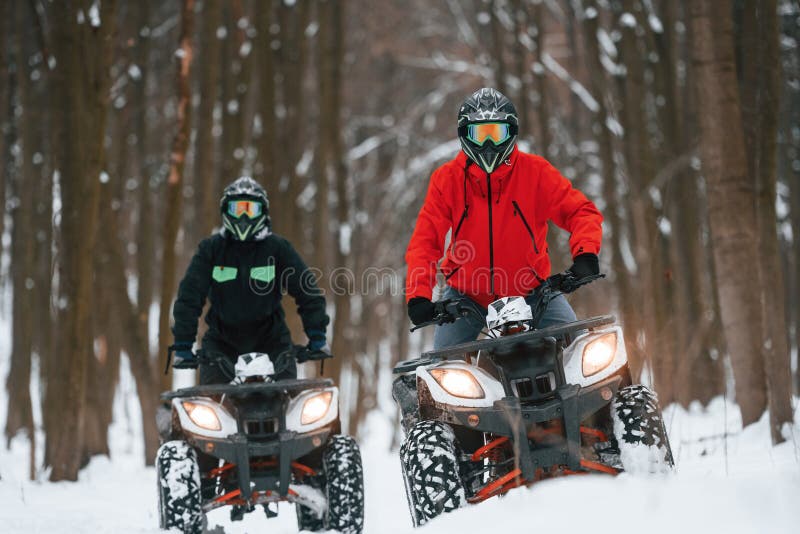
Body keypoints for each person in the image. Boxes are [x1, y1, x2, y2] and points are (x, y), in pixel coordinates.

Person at [405, 87, 603, 349]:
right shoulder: (447, 179)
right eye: (480, 134)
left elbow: (580, 211)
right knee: (442, 368)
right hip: (465, 298)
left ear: (511, 132)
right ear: (465, 135)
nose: (489, 144)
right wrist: (418, 296)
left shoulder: (536, 172)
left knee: (579, 350)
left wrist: (585, 255)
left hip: (533, 293)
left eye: (497, 134)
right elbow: (425, 241)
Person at [171, 176, 330, 383]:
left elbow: (307, 291)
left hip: (273, 344)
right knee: (207, 407)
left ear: (262, 212)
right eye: (237, 209)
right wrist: (183, 345)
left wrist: (317, 336)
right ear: (226, 211)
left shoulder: (278, 249)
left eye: (251, 209)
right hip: (221, 346)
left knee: (293, 404)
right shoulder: (211, 249)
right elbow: (189, 296)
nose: (244, 215)